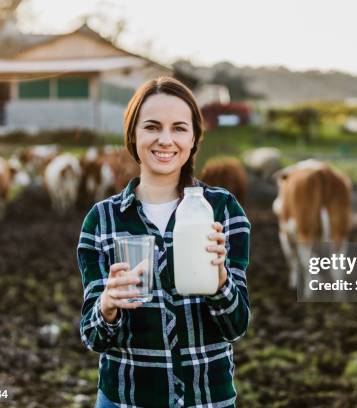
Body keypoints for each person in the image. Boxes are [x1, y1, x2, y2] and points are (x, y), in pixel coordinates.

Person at [77, 76, 251, 407]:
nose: (165, 140)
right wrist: (107, 306)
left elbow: (236, 326)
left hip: (206, 400)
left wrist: (221, 280)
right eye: (152, 127)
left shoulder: (223, 210)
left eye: (179, 128)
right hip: (125, 400)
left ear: (194, 137)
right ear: (133, 134)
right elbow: (93, 336)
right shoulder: (102, 220)